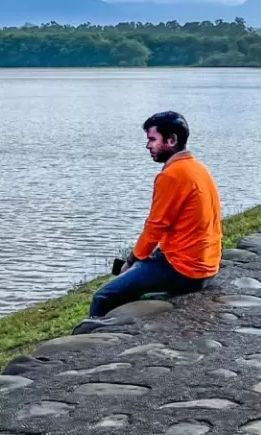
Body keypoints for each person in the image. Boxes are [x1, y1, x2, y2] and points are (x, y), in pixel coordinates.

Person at [88, 110, 222, 320]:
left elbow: (155, 227)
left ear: (171, 140)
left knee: (103, 296)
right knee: (136, 267)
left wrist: (131, 261)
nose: (148, 146)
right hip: (206, 265)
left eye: (152, 139)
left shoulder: (172, 175)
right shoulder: (198, 169)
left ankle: (89, 339)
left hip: (184, 269)